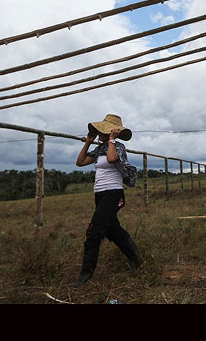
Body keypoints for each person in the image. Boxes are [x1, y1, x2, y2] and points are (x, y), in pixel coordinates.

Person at [73, 114, 143, 287]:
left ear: (113, 133)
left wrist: (112, 139)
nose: (100, 134)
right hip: (100, 194)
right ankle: (138, 262)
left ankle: (85, 276)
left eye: (104, 131)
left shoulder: (117, 147)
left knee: (93, 231)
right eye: (100, 131)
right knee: (113, 231)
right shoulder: (99, 149)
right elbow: (80, 162)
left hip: (114, 194)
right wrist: (88, 142)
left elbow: (112, 159)